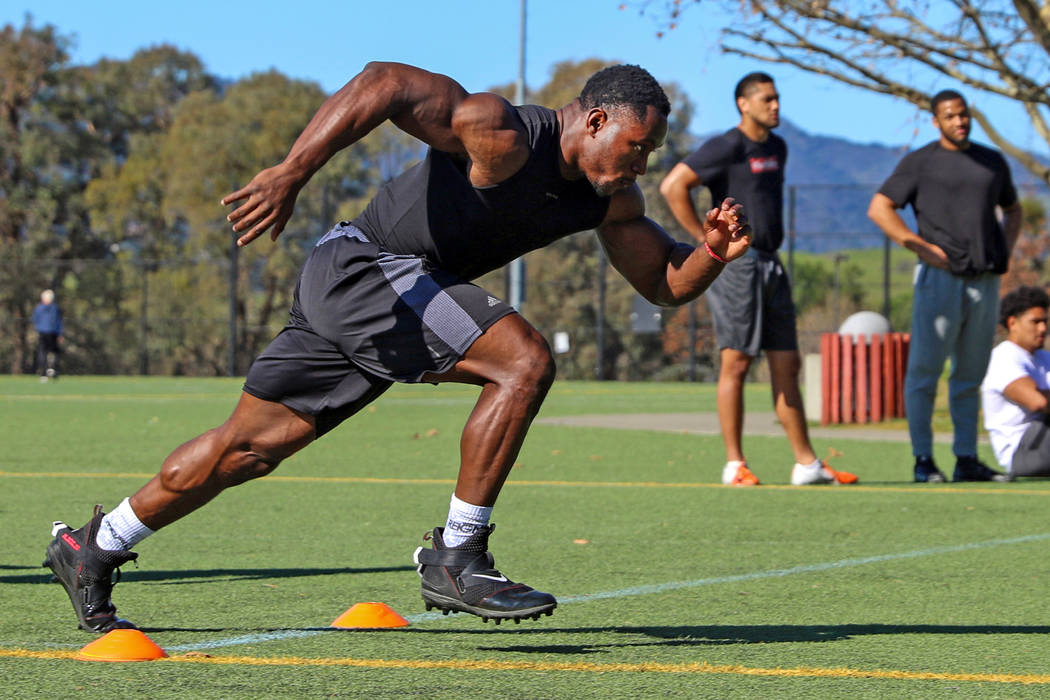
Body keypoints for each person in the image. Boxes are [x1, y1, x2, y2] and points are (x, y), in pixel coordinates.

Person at [44, 62, 753, 633]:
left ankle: (93, 546)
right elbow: (384, 82)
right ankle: (457, 555)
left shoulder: (605, 199)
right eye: (637, 147)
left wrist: (712, 254)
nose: (641, 164)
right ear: (595, 121)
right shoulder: (501, 133)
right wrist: (293, 170)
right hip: (364, 266)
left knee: (249, 448)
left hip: (389, 297)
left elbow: (663, 282)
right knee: (525, 360)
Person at [659, 72, 857, 487]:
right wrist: (703, 239)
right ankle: (735, 464)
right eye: (767, 99)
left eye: (777, 98)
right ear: (743, 104)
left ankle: (807, 464)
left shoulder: (778, 147)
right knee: (737, 361)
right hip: (738, 266)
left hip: (772, 261)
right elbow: (673, 185)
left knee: (787, 362)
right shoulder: (727, 145)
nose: (776, 106)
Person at [868, 89, 1022, 483]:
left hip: (984, 282)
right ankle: (923, 460)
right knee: (924, 372)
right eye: (951, 116)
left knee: (970, 376)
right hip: (940, 280)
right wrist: (917, 246)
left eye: (964, 115)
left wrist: (1003, 250)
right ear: (936, 122)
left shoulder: (990, 161)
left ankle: (966, 459)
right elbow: (880, 207)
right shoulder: (920, 163)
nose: (960, 122)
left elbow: (1013, 209)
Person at [980, 286, 1050, 479]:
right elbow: (1038, 402)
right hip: (1023, 452)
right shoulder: (1004, 357)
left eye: (1045, 321)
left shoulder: (1044, 357)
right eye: (1035, 322)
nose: (1043, 328)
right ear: (1013, 323)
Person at [32, 289, 63, 382]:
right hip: (52, 333)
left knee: (44, 352)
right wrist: (60, 333)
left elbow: (35, 320)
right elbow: (59, 322)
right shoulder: (55, 308)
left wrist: (38, 328)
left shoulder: (40, 308)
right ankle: (52, 371)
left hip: (44, 333)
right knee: (51, 352)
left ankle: (45, 373)